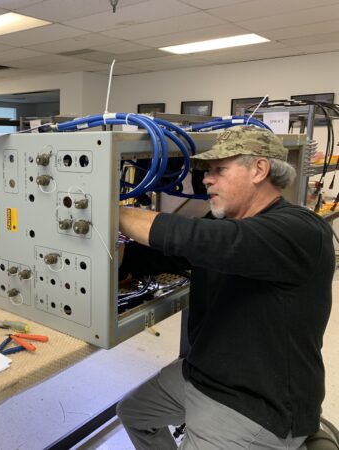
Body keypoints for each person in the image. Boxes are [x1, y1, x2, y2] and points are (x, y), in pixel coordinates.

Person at [116, 126, 334, 449]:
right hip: (205, 374)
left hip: (255, 405)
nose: (206, 179)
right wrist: (116, 256)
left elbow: (201, 240)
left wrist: (110, 213)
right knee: (133, 412)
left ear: (259, 170)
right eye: (207, 171)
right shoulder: (224, 223)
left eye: (219, 170)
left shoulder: (300, 231)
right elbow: (170, 253)